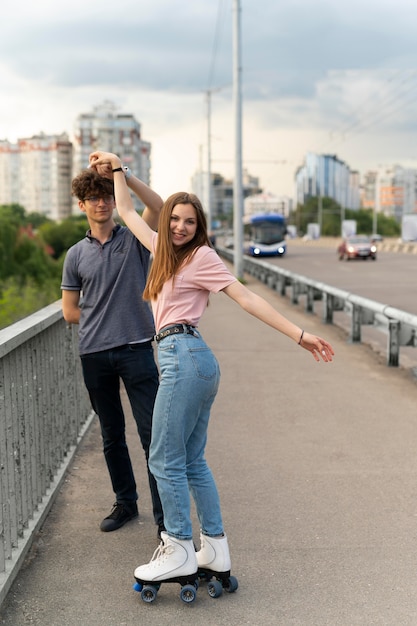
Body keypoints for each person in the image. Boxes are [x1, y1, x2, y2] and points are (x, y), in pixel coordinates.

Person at [89, 150, 335, 588]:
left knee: (164, 458)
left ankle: (179, 546)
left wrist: (300, 335)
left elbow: (247, 298)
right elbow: (126, 208)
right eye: (176, 219)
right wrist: (119, 169)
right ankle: (214, 549)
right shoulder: (160, 249)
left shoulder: (201, 257)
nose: (180, 225)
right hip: (191, 359)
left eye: (189, 221)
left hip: (184, 357)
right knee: (192, 461)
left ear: (199, 227)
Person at [61, 166, 165, 537]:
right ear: (82, 205)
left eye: (107, 196)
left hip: (136, 348)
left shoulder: (135, 236)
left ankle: (165, 518)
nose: (102, 203)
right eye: (94, 198)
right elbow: (69, 310)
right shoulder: (75, 255)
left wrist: (123, 171)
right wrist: (101, 321)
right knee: (111, 434)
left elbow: (159, 206)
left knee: (153, 434)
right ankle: (125, 502)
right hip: (94, 354)